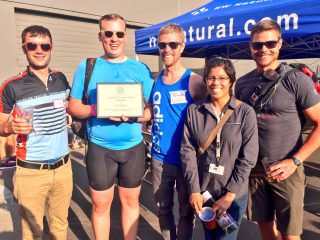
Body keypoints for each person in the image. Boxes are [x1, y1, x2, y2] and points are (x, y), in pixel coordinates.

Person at [68, 14, 153, 240]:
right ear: (100, 36)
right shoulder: (87, 67)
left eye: (119, 34)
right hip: (100, 148)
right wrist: (97, 110)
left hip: (133, 147)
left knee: (131, 203)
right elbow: (74, 106)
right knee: (100, 206)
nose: (114, 38)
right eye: (108, 33)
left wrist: (135, 117)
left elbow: (152, 109)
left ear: (126, 37)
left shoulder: (140, 69)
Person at [235, 19, 320, 240]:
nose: (264, 49)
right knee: (265, 230)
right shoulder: (242, 84)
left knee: (290, 235)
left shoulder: (296, 80)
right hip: (254, 169)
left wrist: (295, 161)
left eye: (270, 43)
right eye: (257, 45)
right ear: (250, 47)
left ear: (280, 44)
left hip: (287, 170)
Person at [0, 25, 72, 239]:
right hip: (31, 172)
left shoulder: (61, 79)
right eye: (33, 45)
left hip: (63, 168)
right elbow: (1, 125)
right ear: (24, 48)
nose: (39, 50)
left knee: (60, 226)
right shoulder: (11, 86)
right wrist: (9, 127)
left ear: (51, 48)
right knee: (32, 232)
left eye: (44, 46)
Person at [180, 57, 258, 240]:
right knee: (209, 236)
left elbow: (248, 158)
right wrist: (194, 190)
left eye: (222, 78)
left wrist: (230, 195)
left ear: (231, 81)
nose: (216, 83)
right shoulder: (194, 110)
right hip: (205, 193)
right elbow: (187, 150)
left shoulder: (245, 112)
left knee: (225, 237)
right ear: (206, 80)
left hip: (233, 194)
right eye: (211, 78)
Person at [149, 23, 207, 240]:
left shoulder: (194, 82)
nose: (167, 49)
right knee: (163, 210)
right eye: (162, 45)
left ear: (182, 46)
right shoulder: (156, 81)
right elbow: (149, 113)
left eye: (173, 44)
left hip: (186, 161)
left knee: (186, 211)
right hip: (159, 159)